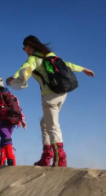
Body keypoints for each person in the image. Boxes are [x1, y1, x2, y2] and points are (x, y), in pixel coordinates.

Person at [6, 35, 94, 167]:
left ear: (29, 46)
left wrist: (14, 76)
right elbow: (67, 65)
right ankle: (46, 156)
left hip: (49, 96)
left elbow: (26, 66)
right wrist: (83, 69)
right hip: (62, 93)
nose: (24, 50)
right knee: (45, 123)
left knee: (53, 126)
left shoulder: (33, 58)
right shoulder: (50, 55)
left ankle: (60, 160)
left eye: (24, 47)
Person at [0, 77, 26, 166]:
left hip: (0, 120)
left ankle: (11, 162)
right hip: (13, 121)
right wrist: (23, 119)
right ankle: (2, 162)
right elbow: (18, 107)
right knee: (4, 139)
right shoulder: (11, 95)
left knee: (6, 139)